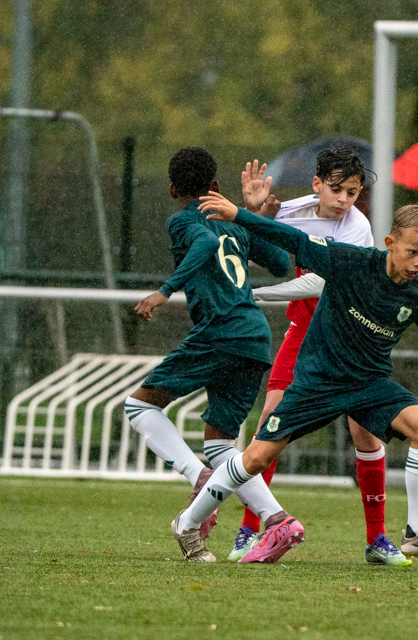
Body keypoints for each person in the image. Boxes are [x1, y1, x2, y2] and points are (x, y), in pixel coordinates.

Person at [172, 196, 418, 564]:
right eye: (412, 252)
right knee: (256, 458)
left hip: (368, 385)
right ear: (390, 242)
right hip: (317, 383)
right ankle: (188, 522)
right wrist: (240, 216)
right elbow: (293, 240)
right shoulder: (349, 261)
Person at [227, 148, 403, 567]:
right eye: (337, 189)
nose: (344, 199)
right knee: (270, 424)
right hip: (304, 331)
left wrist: (259, 294)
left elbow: (321, 284)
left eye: (353, 192)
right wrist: (254, 214)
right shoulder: (290, 211)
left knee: (365, 434)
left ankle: (377, 539)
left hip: (348, 337)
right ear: (317, 184)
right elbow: (248, 250)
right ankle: (249, 530)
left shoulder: (357, 227)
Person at [126, 147, 296, 563]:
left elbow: (203, 242)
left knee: (138, 406)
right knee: (221, 444)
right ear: (215, 186)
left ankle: (197, 475)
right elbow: (280, 264)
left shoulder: (183, 221)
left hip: (221, 330)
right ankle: (278, 521)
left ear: (172, 190)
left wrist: (165, 291)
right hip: (254, 337)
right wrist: (257, 219)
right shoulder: (233, 221)